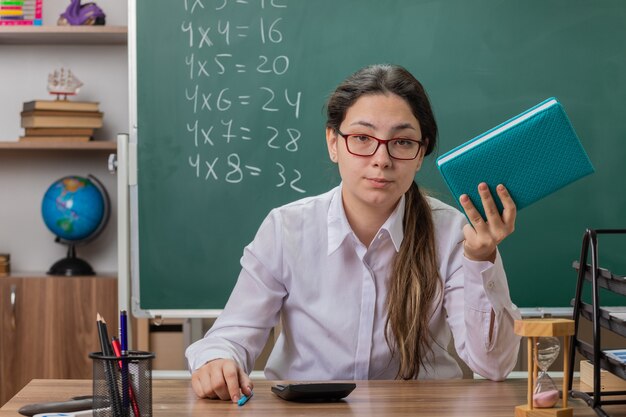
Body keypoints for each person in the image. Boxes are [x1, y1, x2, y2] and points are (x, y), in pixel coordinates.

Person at [186, 64, 521, 402]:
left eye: (402, 142)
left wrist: (481, 260)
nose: (382, 159)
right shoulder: (285, 229)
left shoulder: (453, 234)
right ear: (333, 142)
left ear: (421, 153)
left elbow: (494, 366)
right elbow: (231, 336)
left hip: (418, 410)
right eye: (362, 138)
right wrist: (217, 360)